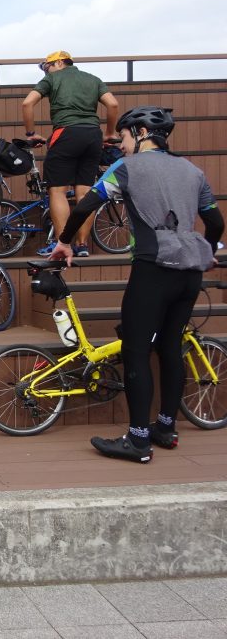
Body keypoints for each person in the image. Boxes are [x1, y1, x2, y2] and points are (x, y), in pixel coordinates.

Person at [49, 106, 223, 463]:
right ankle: (165, 428)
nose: (121, 144)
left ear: (141, 132)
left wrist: (65, 242)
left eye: (124, 136)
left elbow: (84, 206)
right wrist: (207, 249)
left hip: (152, 270)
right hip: (189, 273)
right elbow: (215, 221)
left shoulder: (126, 168)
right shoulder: (193, 171)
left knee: (135, 351)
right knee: (171, 348)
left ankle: (139, 440)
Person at [22, 50, 120, 257]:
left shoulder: (52, 78)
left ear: (58, 63)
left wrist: (31, 134)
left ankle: (62, 244)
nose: (45, 71)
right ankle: (82, 245)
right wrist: (109, 133)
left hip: (65, 133)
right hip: (93, 135)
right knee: (85, 193)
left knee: (57, 191)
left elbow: (27, 103)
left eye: (46, 66)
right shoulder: (93, 79)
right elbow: (112, 104)